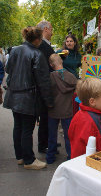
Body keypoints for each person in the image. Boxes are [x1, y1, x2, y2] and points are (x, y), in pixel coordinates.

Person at [3, 26, 53, 170]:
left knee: (18, 126)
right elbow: (43, 81)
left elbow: (8, 69)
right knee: (27, 129)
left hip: (14, 95)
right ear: (37, 40)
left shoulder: (15, 50)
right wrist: (48, 101)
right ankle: (29, 160)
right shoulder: (37, 54)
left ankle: (20, 157)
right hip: (28, 97)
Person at [68, 77, 101, 158]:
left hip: (77, 158)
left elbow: (70, 134)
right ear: (92, 102)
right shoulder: (94, 120)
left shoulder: (78, 114)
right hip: (89, 161)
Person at [46, 54, 77, 164]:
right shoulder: (71, 76)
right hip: (67, 109)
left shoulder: (49, 77)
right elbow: (77, 91)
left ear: (51, 64)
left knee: (52, 134)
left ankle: (50, 156)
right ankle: (70, 156)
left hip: (53, 110)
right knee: (69, 135)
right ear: (62, 62)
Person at [36, 20, 56, 153]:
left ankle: (47, 141)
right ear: (46, 29)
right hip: (44, 86)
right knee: (44, 116)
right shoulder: (42, 45)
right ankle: (43, 145)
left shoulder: (43, 45)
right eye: (51, 28)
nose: (52, 31)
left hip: (44, 85)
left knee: (46, 116)